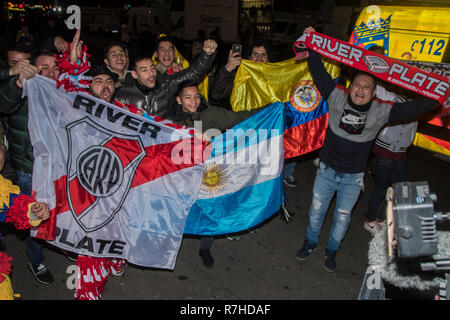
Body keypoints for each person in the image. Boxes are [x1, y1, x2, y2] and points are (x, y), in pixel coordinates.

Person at [295, 27, 440, 272]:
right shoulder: (335, 96)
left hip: (352, 179)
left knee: (342, 219)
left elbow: (414, 109)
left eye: (367, 87)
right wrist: (311, 40)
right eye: (357, 85)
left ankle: (331, 251)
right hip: (326, 172)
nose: (360, 90)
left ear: (374, 93)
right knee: (315, 213)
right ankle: (310, 243)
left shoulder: (382, 110)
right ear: (350, 87)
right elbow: (318, 72)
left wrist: (440, 94)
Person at [169, 80, 270, 268]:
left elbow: (242, 117)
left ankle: (205, 247)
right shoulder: (170, 123)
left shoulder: (210, 116)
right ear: (178, 100)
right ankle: (171, 245)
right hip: (181, 179)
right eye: (188, 97)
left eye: (197, 96)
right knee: (179, 213)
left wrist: (272, 108)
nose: (194, 101)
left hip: (209, 177)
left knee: (212, 210)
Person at [0, 50, 60, 285]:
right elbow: (4, 101)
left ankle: (67, 245)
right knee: (33, 216)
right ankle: (36, 260)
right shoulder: (25, 91)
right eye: (43, 67)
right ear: (32, 70)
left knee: (56, 213)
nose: (50, 72)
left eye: (55, 66)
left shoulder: (63, 92)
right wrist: (17, 83)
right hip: (30, 170)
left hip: (59, 170)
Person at [210, 40, 299, 188]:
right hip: (245, 135)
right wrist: (228, 68)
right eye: (255, 54)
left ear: (269, 58)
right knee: (244, 179)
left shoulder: (279, 76)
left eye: (263, 55)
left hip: (269, 135)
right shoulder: (239, 75)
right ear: (249, 57)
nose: (259, 58)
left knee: (265, 180)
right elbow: (216, 94)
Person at [363, 46, 419, 234]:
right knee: (380, 189)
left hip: (401, 155)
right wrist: (373, 63)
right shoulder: (391, 98)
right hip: (385, 153)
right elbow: (375, 87)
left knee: (398, 191)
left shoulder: (417, 105)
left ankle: (389, 221)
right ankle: (370, 219)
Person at [115, 38, 217, 118]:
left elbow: (193, 74)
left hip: (164, 139)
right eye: (144, 70)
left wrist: (206, 55)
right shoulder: (123, 94)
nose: (151, 74)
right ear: (134, 74)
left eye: (152, 68)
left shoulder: (166, 84)